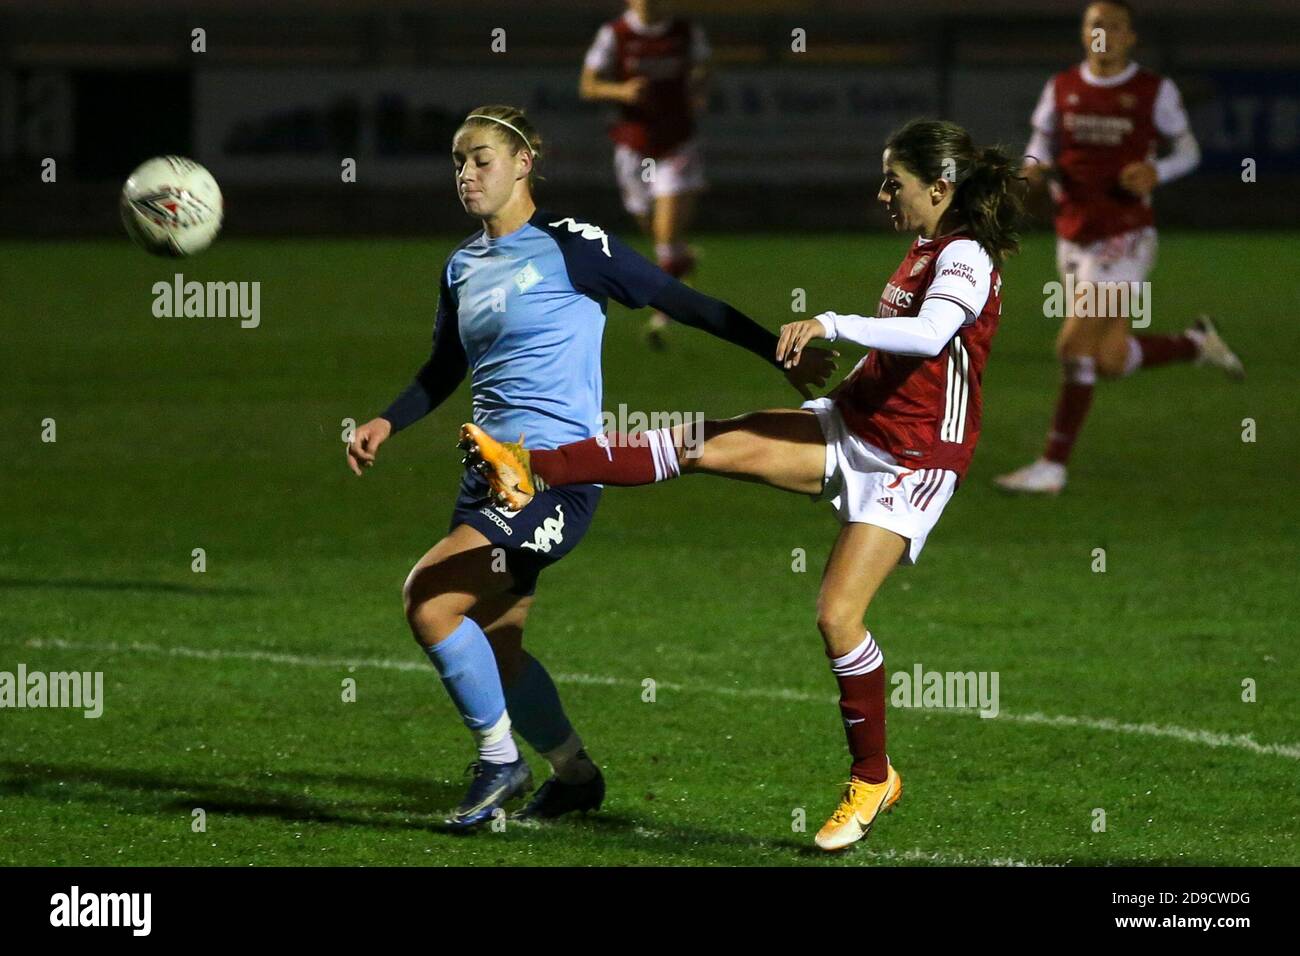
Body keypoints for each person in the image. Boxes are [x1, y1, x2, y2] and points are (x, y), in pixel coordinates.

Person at [461, 119, 1023, 852]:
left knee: (837, 617)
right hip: (854, 427)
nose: (883, 193)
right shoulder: (924, 246)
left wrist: (829, 320)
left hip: (915, 462)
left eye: (896, 182)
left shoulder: (966, 257)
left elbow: (927, 336)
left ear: (940, 188)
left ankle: (874, 776)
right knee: (703, 443)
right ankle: (530, 467)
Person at [346, 104, 835, 830]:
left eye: (482, 158)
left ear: (523, 162)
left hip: (557, 478)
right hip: (489, 477)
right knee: (499, 644)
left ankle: (498, 761)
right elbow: (445, 365)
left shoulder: (574, 246)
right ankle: (574, 775)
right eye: (458, 162)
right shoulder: (461, 265)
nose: (467, 174)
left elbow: (679, 299)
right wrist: (390, 418)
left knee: (428, 599)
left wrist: (777, 350)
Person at [994, 0, 1243, 496]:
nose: (1103, 32)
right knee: (1108, 358)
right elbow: (1040, 144)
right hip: (1074, 232)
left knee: (1071, 346)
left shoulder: (1153, 90)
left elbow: (1188, 150)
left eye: (1114, 25)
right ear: (1083, 35)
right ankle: (1195, 344)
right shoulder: (1061, 87)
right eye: (1094, 25)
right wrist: (1033, 168)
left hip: (1124, 234)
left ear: (1131, 37)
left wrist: (1158, 171)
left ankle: (1052, 467)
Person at [580, 0, 710, 349]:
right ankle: (681, 261)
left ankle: (661, 316)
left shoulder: (685, 32)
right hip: (633, 147)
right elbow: (588, 85)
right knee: (649, 227)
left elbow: (703, 69)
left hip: (676, 145)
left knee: (665, 239)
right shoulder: (615, 35)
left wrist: (697, 88)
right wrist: (620, 90)